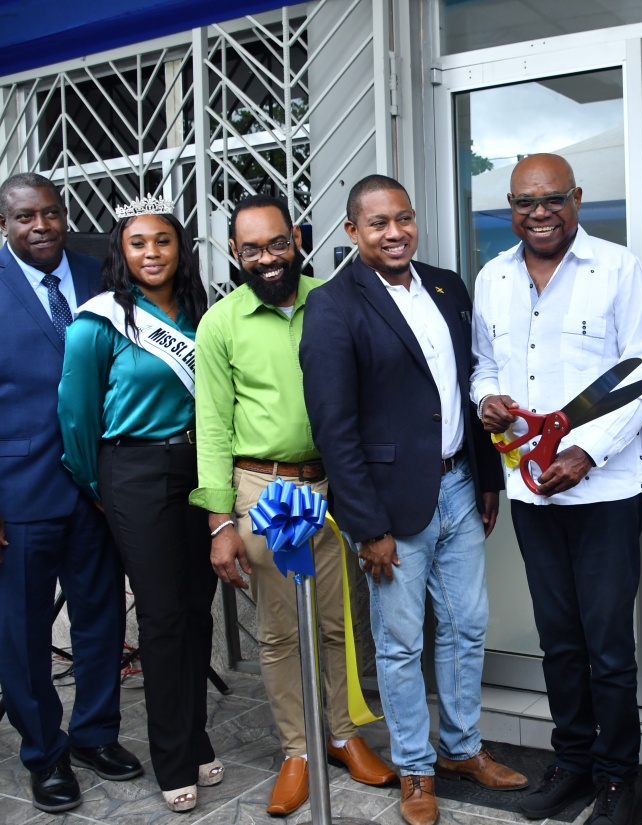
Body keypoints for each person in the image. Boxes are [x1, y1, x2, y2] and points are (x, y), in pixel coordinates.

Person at [301, 175, 526, 825]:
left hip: (459, 485)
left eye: (404, 218)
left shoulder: (446, 285)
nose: (394, 232)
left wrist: (487, 476)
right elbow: (334, 428)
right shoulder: (334, 306)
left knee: (467, 625)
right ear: (352, 232)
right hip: (390, 508)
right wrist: (365, 524)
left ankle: (459, 748)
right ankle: (415, 768)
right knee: (399, 642)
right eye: (378, 223)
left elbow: (467, 383)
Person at [190, 194, 393, 816]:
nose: (267, 258)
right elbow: (214, 428)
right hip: (262, 491)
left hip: (333, 486)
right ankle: (297, 748)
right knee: (280, 632)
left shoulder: (334, 300)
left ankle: (342, 735)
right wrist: (221, 520)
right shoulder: (221, 323)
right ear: (234, 253)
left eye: (277, 243)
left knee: (340, 623)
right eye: (251, 248)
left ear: (297, 237)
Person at [472, 153, 642, 825]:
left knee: (608, 645)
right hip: (530, 493)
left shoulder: (616, 268)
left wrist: (588, 450)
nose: (539, 211)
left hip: (603, 491)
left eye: (552, 198)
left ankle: (617, 778)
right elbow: (483, 365)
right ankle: (573, 763)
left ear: (577, 198)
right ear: (511, 208)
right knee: (559, 640)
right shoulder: (493, 277)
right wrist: (487, 398)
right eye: (524, 201)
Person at [57, 198, 218, 812]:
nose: (151, 253)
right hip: (134, 470)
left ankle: (196, 738)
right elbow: (75, 422)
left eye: (163, 241)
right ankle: (172, 757)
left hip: (199, 467)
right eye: (137, 243)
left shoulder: (204, 313)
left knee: (198, 610)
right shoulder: (98, 323)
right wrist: (105, 491)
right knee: (161, 617)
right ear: (120, 254)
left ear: (181, 249)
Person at [0, 173, 143, 813]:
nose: (41, 226)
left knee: (101, 616)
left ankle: (93, 734)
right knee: (24, 630)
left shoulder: (100, 274)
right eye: (26, 217)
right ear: (5, 224)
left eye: (51, 213)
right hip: (19, 495)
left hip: (100, 489)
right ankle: (45, 753)